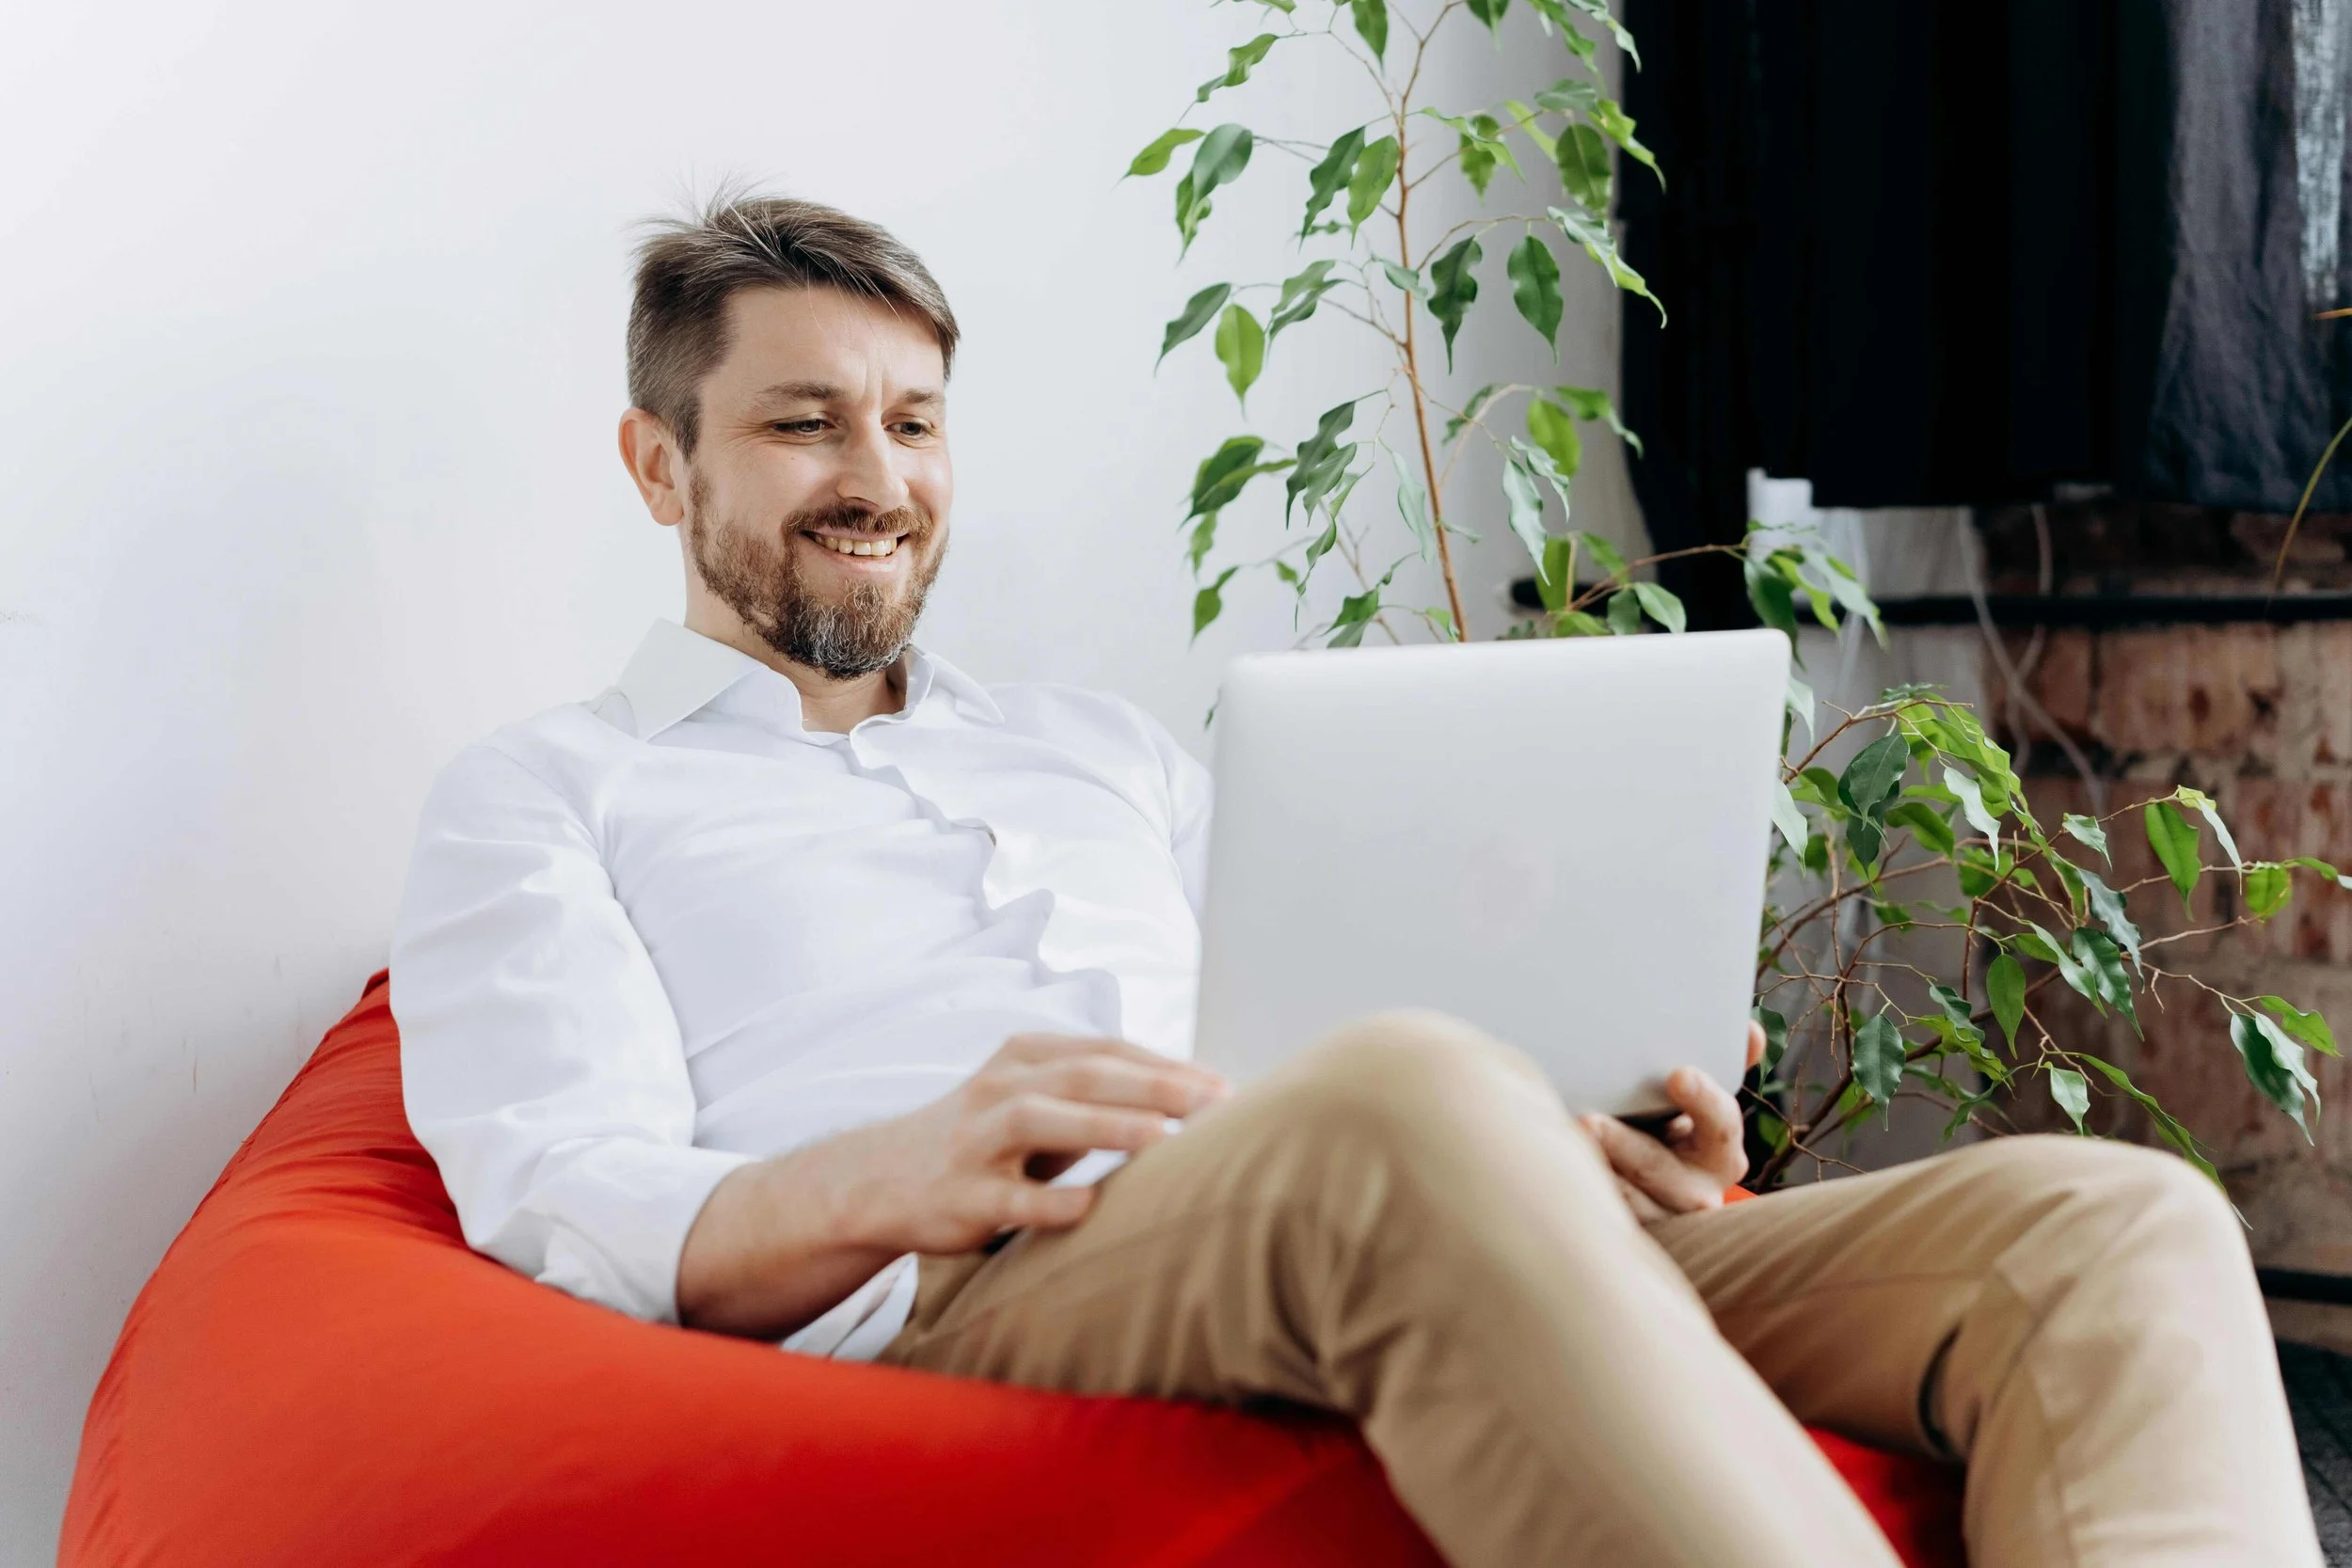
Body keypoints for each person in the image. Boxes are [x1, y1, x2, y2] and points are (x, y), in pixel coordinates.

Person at [389, 193, 2323, 1568]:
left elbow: (1328, 1007)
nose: (874, 472)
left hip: (1382, 1201)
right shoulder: (544, 794)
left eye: (911, 419)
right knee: (1400, 1101)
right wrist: (899, 1164)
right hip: (983, 1284)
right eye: (800, 421)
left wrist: (1579, 1094)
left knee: (2108, 1223)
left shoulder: (1101, 747)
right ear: (659, 465)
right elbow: (562, 1183)